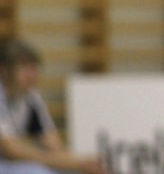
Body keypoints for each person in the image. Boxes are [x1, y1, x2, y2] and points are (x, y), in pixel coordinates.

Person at [0, 38, 107, 174]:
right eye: (25, 69)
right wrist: (76, 163)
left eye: (34, 69)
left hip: (9, 165)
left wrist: (82, 164)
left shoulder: (31, 99)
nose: (31, 76)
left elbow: (53, 144)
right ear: (4, 70)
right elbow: (10, 150)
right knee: (36, 171)